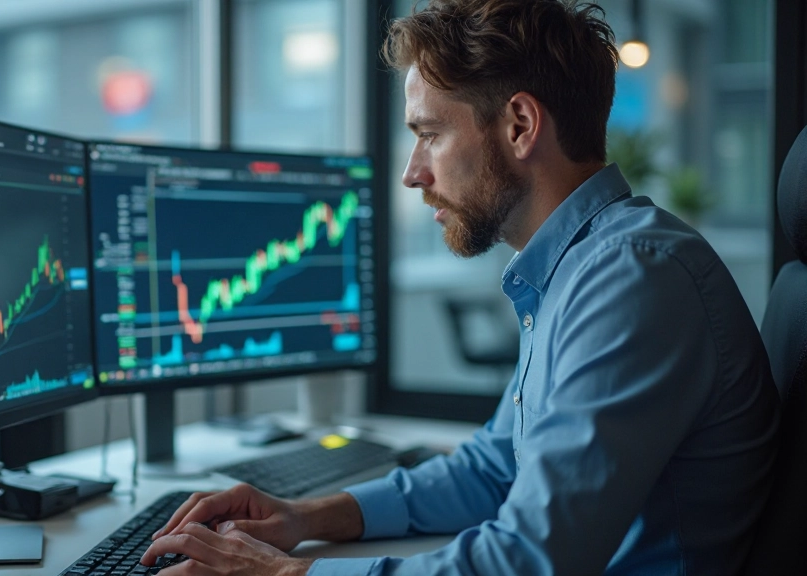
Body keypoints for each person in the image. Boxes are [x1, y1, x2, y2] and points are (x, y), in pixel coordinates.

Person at [141, 0, 779, 574]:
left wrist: (285, 575)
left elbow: (528, 561)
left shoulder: (631, 277)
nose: (413, 174)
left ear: (522, 125)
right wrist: (305, 517)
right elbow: (495, 467)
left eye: (429, 135)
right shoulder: (577, 270)